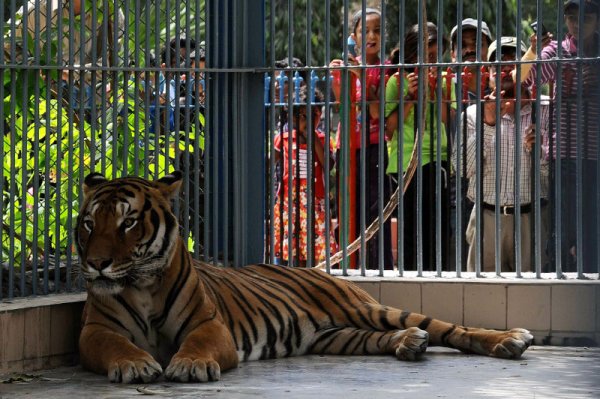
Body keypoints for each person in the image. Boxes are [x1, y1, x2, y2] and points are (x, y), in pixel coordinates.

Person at [456, 37, 550, 273]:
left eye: (513, 62)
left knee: (530, 299)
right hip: (486, 219)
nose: (505, 68)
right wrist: (487, 124)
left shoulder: (545, 110)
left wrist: (541, 152)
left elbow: (555, 179)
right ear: (488, 72)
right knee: (481, 296)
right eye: (497, 62)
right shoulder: (472, 114)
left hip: (530, 220)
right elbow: (462, 169)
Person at [523, 0, 600, 273]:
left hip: (595, 158)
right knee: (563, 232)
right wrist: (534, 49)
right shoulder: (556, 51)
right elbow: (523, 78)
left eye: (585, 18)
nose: (577, 24)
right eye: (570, 17)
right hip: (564, 156)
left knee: (593, 235)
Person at [384, 22, 454, 271]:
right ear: (413, 54)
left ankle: (439, 279)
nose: (433, 62)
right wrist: (410, 99)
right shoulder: (397, 80)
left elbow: (448, 119)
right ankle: (410, 277)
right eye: (428, 56)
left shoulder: (444, 80)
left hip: (438, 162)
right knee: (411, 229)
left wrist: (436, 93)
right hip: (406, 164)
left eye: (436, 56)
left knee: (438, 230)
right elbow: (388, 129)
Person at [329, 7, 393, 270]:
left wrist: (362, 77)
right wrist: (338, 76)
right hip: (348, 146)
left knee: (375, 214)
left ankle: (379, 269)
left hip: (374, 146)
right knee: (348, 211)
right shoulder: (347, 65)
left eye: (377, 30)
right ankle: (349, 266)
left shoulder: (387, 68)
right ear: (353, 36)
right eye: (364, 30)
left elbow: (377, 111)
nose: (371, 35)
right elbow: (341, 105)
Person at [5, 0, 125, 107]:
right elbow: (7, 44)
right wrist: (33, 68)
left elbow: (115, 59)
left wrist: (70, 72)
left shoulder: (110, 10)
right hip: (47, 95)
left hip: (94, 94)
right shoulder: (36, 8)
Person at [272, 86, 337, 267]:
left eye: (314, 115)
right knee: (291, 248)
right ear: (293, 117)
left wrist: (313, 138)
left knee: (313, 248)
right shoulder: (283, 138)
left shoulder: (323, 139)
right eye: (303, 116)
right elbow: (271, 161)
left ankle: (311, 276)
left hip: (314, 201)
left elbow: (329, 164)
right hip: (289, 201)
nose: (309, 121)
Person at [448, 18, 493, 271]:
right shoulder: (444, 88)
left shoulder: (497, 86)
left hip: (491, 178)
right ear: (453, 53)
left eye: (476, 43)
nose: (469, 49)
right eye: (462, 45)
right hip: (456, 180)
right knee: (457, 249)